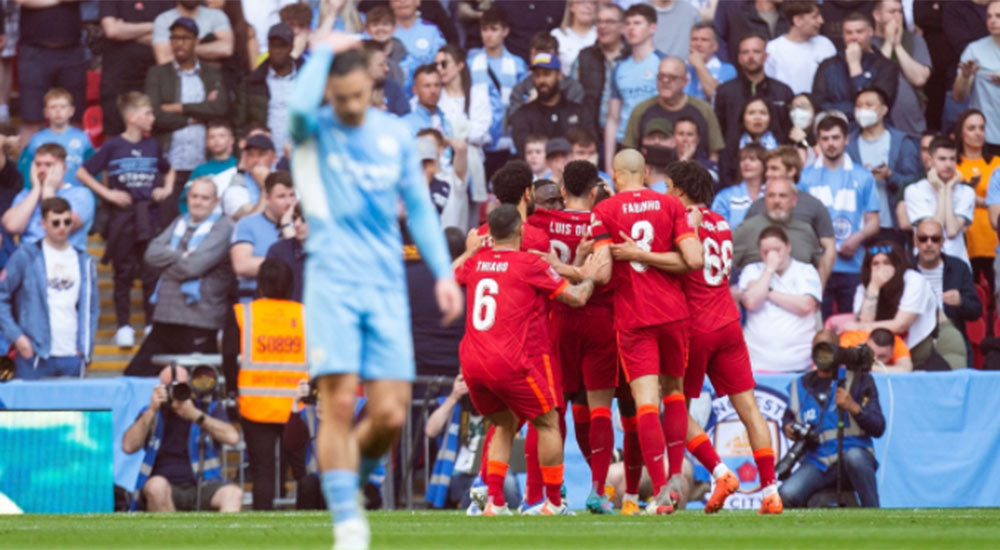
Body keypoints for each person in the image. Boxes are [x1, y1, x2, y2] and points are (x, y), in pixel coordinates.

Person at [288, 34, 462, 549]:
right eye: (338, 99)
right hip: (332, 280)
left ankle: (348, 481)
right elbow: (298, 107)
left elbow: (421, 212)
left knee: (388, 413)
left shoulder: (394, 137)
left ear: (372, 85)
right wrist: (321, 52)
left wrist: (443, 275)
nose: (347, 107)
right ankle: (348, 523)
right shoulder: (314, 128)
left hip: (385, 284)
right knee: (339, 403)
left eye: (356, 97)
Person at [453, 204, 601, 516]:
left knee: (503, 423)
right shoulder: (528, 263)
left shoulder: (476, 263)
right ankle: (553, 503)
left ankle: (494, 502)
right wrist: (590, 277)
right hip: (508, 360)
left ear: (489, 234)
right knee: (547, 422)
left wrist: (471, 251)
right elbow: (576, 298)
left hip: (472, 363)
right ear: (521, 230)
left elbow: (453, 271)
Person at [658, 160, 783, 515]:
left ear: (680, 190)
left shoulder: (680, 222)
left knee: (672, 407)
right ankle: (771, 491)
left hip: (695, 326)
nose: (666, 194)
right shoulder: (722, 223)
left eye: (668, 187)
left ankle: (719, 470)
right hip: (728, 321)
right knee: (750, 409)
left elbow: (682, 262)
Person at [589, 149, 704, 515]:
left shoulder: (605, 211)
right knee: (674, 396)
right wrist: (650, 255)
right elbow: (693, 260)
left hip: (635, 318)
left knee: (646, 404)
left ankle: (659, 493)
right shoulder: (670, 205)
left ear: (614, 174)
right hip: (673, 315)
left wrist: (591, 263)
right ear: (647, 172)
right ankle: (672, 482)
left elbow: (604, 273)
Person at [528, 161, 616, 513]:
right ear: (594, 192)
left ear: (562, 192)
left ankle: (554, 488)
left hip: (558, 317)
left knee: (553, 410)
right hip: (600, 319)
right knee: (600, 410)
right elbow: (607, 274)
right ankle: (597, 490)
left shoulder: (538, 223)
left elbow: (531, 258)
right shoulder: (603, 221)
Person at [76, 92, 175, 347]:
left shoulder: (152, 145)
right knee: (123, 272)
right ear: (131, 118)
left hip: (149, 217)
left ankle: (152, 323)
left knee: (151, 271)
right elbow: (83, 172)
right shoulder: (113, 146)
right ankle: (124, 325)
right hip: (122, 219)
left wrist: (165, 189)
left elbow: (169, 168)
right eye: (148, 113)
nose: (152, 118)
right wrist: (108, 193)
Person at [124, 178, 234, 377]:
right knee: (134, 376)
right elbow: (150, 254)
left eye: (205, 197)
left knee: (198, 390)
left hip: (199, 322)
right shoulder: (180, 221)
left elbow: (193, 266)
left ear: (216, 201)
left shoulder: (224, 227)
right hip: (165, 319)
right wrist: (179, 257)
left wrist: (165, 266)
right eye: (194, 196)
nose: (198, 202)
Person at [224, 258, 309, 510]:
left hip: (255, 406)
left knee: (262, 472)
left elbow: (229, 356)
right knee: (302, 472)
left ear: (260, 285)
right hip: (297, 407)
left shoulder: (242, 313)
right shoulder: (305, 314)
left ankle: (264, 533)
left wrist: (232, 391)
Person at [779, 329, 885, 508]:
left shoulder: (859, 380)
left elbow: (878, 427)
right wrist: (789, 428)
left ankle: (873, 511)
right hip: (817, 461)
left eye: (828, 349)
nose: (824, 355)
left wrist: (853, 407)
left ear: (839, 351)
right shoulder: (800, 386)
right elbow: (788, 419)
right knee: (787, 494)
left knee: (856, 458)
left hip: (853, 452)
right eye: (819, 349)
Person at [121, 365, 242, 512]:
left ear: (191, 385)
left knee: (233, 494)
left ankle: (219, 535)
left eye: (181, 386)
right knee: (155, 487)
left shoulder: (206, 408)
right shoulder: (152, 412)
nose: (175, 392)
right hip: (165, 485)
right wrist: (152, 410)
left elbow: (233, 437)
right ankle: (173, 535)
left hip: (205, 483)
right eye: (169, 387)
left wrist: (195, 415)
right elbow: (128, 446)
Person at [0, 197, 97, 380]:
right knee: (32, 409)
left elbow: (91, 310)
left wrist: (85, 349)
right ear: (43, 223)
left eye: (67, 222)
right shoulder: (26, 256)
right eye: (55, 222)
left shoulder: (84, 261)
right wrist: (17, 337)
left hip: (72, 356)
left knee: (73, 409)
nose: (62, 227)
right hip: (35, 355)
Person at [146, 16, 229, 226]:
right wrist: (196, 117)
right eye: (174, 38)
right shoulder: (157, 74)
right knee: (165, 225)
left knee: (204, 226)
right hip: (169, 163)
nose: (179, 43)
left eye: (185, 38)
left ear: (196, 41)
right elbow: (154, 116)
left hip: (203, 165)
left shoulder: (212, 74)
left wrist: (179, 108)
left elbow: (220, 109)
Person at [799, 116, 880, 318]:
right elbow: (798, 222)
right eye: (825, 138)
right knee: (818, 331)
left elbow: (874, 222)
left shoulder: (863, 176)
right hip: (816, 266)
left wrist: (857, 238)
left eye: (835, 137)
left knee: (851, 329)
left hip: (853, 265)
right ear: (818, 141)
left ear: (846, 139)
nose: (830, 144)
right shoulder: (805, 177)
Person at [745, 146, 837, 285]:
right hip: (763, 284)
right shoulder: (756, 206)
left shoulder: (813, 205)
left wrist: (819, 286)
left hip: (801, 286)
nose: (768, 174)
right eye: (767, 169)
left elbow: (829, 247)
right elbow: (746, 245)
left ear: (792, 171)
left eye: (774, 168)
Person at [843, 241, 941, 367]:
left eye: (887, 263)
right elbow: (866, 323)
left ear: (897, 265)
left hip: (929, 341)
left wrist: (861, 326)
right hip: (887, 347)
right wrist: (874, 287)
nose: (881, 268)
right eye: (875, 264)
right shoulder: (863, 288)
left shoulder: (914, 280)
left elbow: (900, 325)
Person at [739, 225, 822, 373]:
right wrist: (769, 269)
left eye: (777, 250)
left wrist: (768, 291)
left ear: (788, 246)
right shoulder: (752, 270)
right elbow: (751, 302)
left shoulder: (806, 270)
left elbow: (806, 305)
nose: (772, 256)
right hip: (756, 364)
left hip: (799, 365)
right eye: (766, 252)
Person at [620, 57, 725, 168]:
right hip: (650, 179)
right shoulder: (641, 110)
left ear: (685, 81)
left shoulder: (704, 110)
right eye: (661, 76)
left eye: (672, 77)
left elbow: (714, 153)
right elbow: (628, 151)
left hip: (692, 178)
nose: (665, 81)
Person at [846, 87, 922, 238]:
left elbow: (915, 184)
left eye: (869, 105)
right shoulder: (848, 145)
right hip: (856, 227)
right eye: (858, 106)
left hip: (891, 224)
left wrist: (890, 175)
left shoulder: (901, 143)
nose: (863, 110)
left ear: (883, 110)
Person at [467, 6, 528, 178]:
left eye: (494, 29)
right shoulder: (471, 62)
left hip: (508, 142)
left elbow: (522, 102)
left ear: (505, 31)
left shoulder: (518, 65)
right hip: (478, 141)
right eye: (484, 29)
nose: (488, 34)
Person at [14, 0, 88, 142]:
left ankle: (75, 164)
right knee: (31, 119)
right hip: (34, 51)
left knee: (74, 116)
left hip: (72, 49)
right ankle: (27, 164)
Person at [912, 219, 981, 368]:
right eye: (923, 239)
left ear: (942, 242)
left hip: (953, 338)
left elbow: (976, 311)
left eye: (935, 239)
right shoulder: (906, 269)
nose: (929, 244)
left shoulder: (958, 267)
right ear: (915, 241)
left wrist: (962, 301)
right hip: (916, 341)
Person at [99, 0, 173, 136]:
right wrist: (155, 26)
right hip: (117, 77)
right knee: (114, 133)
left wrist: (125, 31)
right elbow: (112, 31)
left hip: (151, 77)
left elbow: (169, 35)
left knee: (154, 130)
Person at [435, 44, 491, 222]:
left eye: (444, 64)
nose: (439, 69)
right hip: (443, 166)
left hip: (472, 166)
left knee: (469, 223)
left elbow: (481, 132)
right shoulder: (435, 94)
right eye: (436, 65)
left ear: (459, 65)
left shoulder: (477, 94)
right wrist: (461, 133)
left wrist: (448, 136)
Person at [812, 12, 899, 124]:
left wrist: (855, 67)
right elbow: (818, 104)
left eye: (859, 32)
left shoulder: (886, 66)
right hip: (836, 132)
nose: (854, 37)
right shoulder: (827, 65)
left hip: (874, 133)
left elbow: (877, 106)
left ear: (870, 32)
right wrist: (854, 111)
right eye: (849, 33)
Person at [3, 143, 94, 251]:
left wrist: (48, 190)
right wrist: (36, 190)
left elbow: (62, 224)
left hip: (65, 260)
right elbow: (12, 226)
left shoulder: (80, 194)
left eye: (48, 164)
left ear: (63, 168)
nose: (41, 170)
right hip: (29, 260)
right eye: (38, 164)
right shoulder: (25, 195)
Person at [902, 136, 976, 266]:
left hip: (958, 265)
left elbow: (952, 231)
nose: (948, 164)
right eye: (942, 159)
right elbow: (933, 231)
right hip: (924, 266)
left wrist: (946, 190)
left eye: (952, 159)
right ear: (930, 161)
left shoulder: (967, 192)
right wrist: (942, 190)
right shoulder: (914, 190)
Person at [603, 3, 661, 167]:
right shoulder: (619, 68)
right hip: (626, 142)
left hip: (654, 141)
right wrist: (609, 165)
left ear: (652, 28)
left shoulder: (663, 63)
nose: (631, 28)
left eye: (637, 23)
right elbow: (613, 118)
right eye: (627, 24)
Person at [510, 52, 595, 160]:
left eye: (546, 74)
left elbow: (589, 145)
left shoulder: (579, 111)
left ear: (559, 75)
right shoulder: (522, 115)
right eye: (537, 75)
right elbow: (524, 150)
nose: (541, 80)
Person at [229, 171, 296, 303]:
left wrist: (288, 226)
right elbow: (242, 265)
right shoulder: (248, 223)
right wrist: (288, 264)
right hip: (255, 303)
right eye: (281, 196)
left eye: (292, 195)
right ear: (267, 198)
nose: (288, 202)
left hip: (293, 305)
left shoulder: (301, 225)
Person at [732, 178, 824, 272]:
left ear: (794, 200)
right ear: (765, 199)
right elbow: (725, 265)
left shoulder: (806, 231)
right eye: (771, 196)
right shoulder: (746, 229)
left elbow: (819, 267)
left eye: (783, 196)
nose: (776, 201)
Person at [238, 23, 302, 156]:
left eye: (282, 46)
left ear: (291, 47)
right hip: (264, 155)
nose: (277, 51)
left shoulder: (306, 77)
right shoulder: (253, 82)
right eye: (273, 46)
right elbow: (240, 124)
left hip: (302, 153)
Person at [954, 110, 1000, 292]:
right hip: (965, 240)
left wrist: (970, 197)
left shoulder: (997, 164)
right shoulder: (953, 164)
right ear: (960, 133)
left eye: (981, 128)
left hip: (993, 239)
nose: (978, 132)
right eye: (971, 128)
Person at [871, 0, 931, 138]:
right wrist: (888, 42)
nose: (897, 16)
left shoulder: (915, 40)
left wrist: (897, 46)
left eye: (900, 12)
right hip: (877, 129)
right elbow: (875, 80)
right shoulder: (869, 43)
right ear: (877, 15)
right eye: (892, 12)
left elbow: (919, 79)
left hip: (912, 128)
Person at [16, 88, 94, 188]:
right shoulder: (37, 139)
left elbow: (93, 171)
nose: (58, 111)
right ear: (46, 112)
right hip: (43, 192)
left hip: (74, 192)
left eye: (63, 107)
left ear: (71, 111)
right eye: (53, 107)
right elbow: (27, 171)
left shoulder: (83, 138)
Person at [468, 160, 550, 254]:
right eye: (533, 191)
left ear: (498, 199)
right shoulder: (538, 238)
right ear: (527, 193)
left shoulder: (477, 236)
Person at [571, 3, 628, 135]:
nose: (603, 26)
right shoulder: (584, 57)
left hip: (625, 135)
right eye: (599, 21)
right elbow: (572, 99)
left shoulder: (632, 57)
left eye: (609, 22)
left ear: (622, 27)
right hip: (590, 136)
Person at [953, 0, 1000, 157]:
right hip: (985, 136)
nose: (993, 20)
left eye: (998, 16)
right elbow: (958, 96)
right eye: (989, 16)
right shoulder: (974, 50)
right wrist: (965, 77)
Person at [506, 32, 586, 120]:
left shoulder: (573, 88)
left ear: (557, 57)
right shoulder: (520, 89)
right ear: (530, 56)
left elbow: (576, 119)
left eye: (546, 53)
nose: (541, 59)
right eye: (536, 54)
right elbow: (513, 119)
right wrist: (530, 105)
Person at [764, 0, 836, 95]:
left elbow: (835, 81)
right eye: (815, 17)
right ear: (798, 20)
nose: (821, 21)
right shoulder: (773, 48)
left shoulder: (825, 44)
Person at [151, 0, 233, 65]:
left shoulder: (217, 16)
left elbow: (226, 49)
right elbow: (164, 60)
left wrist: (181, 51)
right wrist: (208, 53)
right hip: (176, 82)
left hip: (212, 80)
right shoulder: (164, 19)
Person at [181, 121, 238, 214]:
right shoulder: (200, 170)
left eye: (221, 136)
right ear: (206, 142)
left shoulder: (239, 167)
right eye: (212, 137)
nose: (216, 140)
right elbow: (185, 201)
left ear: (231, 140)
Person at [219, 133, 277, 220]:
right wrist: (266, 186)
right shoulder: (235, 187)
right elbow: (253, 222)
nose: (255, 160)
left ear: (274, 158)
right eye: (251, 154)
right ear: (245, 158)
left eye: (261, 154)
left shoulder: (286, 180)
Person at [712, 144, 766, 229]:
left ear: (764, 165)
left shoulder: (772, 194)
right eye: (743, 159)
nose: (746, 163)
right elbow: (717, 229)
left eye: (752, 159)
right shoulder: (724, 197)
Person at [684, 22, 736, 103]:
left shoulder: (727, 70)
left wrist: (699, 65)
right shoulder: (681, 68)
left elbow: (716, 96)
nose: (698, 44)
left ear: (715, 46)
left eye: (704, 40)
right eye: (694, 39)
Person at [266, 203, 307, 303]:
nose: (296, 224)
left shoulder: (334, 252)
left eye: (304, 219)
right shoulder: (278, 251)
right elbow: (266, 294)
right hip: (285, 316)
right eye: (294, 218)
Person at [391, 0, 445, 68]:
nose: (402, 1)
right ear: (391, 3)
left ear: (418, 2)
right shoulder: (382, 32)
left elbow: (442, 62)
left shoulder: (431, 30)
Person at [402, 65, 452, 137]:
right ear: (415, 90)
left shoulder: (446, 121)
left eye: (437, 85)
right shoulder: (407, 124)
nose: (433, 91)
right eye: (427, 86)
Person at [551, 0, 597, 76]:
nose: (588, 6)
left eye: (592, 3)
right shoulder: (557, 35)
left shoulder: (601, 34)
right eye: (582, 2)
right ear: (571, 6)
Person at [838, 328, 912, 373]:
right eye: (871, 353)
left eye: (882, 356)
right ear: (864, 343)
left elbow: (906, 369)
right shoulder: (850, 340)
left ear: (892, 352)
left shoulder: (898, 345)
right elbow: (837, 362)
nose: (874, 359)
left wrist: (867, 368)